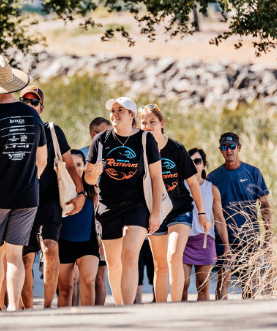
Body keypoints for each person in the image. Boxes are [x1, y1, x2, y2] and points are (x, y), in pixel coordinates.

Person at [0, 55, 47, 311]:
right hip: (28, 196)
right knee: (15, 254)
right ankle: (14, 306)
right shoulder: (33, 116)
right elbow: (43, 160)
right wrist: (29, 180)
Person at [84, 97, 163, 306]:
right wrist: (95, 173)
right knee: (113, 264)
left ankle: (129, 309)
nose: (115, 114)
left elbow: (156, 178)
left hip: (137, 205)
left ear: (132, 115)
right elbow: (88, 178)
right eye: (113, 110)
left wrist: (156, 212)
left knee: (129, 255)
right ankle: (120, 308)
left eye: (121, 110)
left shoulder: (145, 140)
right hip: (108, 206)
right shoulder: (101, 140)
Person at [18, 86, 85, 308]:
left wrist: (81, 193)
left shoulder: (52, 131)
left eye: (34, 102)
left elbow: (69, 164)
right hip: (22, 202)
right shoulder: (14, 131)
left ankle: (47, 306)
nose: (29, 105)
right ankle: (28, 309)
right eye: (24, 101)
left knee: (50, 248)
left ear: (41, 107)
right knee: (26, 259)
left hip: (49, 200)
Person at [138, 104, 210, 303]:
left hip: (180, 210)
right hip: (155, 212)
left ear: (161, 123)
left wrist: (202, 213)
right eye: (143, 123)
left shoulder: (176, 148)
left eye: (152, 122)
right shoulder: (139, 150)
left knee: (173, 256)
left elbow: (193, 183)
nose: (148, 126)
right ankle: (161, 307)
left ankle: (176, 305)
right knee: (160, 264)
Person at [206, 132, 272, 299]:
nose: (229, 150)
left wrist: (268, 236)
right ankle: (220, 318)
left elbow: (264, 206)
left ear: (239, 148)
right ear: (220, 150)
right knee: (223, 279)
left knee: (249, 282)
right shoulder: (213, 177)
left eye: (232, 146)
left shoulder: (253, 173)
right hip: (224, 236)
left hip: (249, 236)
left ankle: (247, 319)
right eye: (224, 147)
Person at [181, 148, 231, 301]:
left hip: (204, 240)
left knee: (203, 285)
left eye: (198, 161)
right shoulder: (180, 187)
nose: (194, 164)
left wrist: (227, 247)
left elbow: (219, 219)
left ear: (203, 165)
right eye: (190, 161)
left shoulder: (212, 189)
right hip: (183, 240)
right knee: (183, 283)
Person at [58, 150, 101, 306]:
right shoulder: (59, 187)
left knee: (88, 281)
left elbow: (98, 216)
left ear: (84, 166)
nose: (76, 168)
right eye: (72, 165)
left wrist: (100, 240)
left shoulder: (92, 188)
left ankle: (88, 321)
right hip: (63, 241)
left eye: (79, 165)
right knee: (65, 288)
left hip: (88, 241)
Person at [80, 116, 112, 305]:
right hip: (84, 220)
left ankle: (100, 313)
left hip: (106, 219)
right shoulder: (81, 155)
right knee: (79, 275)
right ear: (94, 134)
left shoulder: (114, 156)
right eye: (104, 133)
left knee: (101, 274)